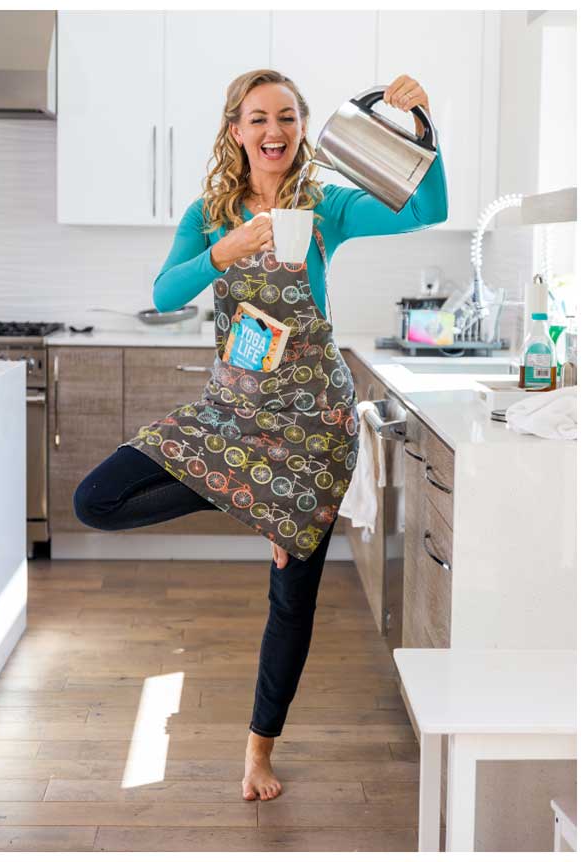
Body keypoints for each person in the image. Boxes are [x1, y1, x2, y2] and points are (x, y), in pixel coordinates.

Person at [73, 68, 448, 802]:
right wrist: (231, 247)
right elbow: (162, 295)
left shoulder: (328, 206)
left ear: (301, 128)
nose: (272, 130)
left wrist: (426, 126)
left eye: (285, 117)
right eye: (256, 118)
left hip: (312, 425)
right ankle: (252, 500)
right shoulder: (210, 214)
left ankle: (258, 753)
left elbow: (424, 211)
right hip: (230, 414)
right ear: (236, 131)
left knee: (291, 600)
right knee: (98, 500)